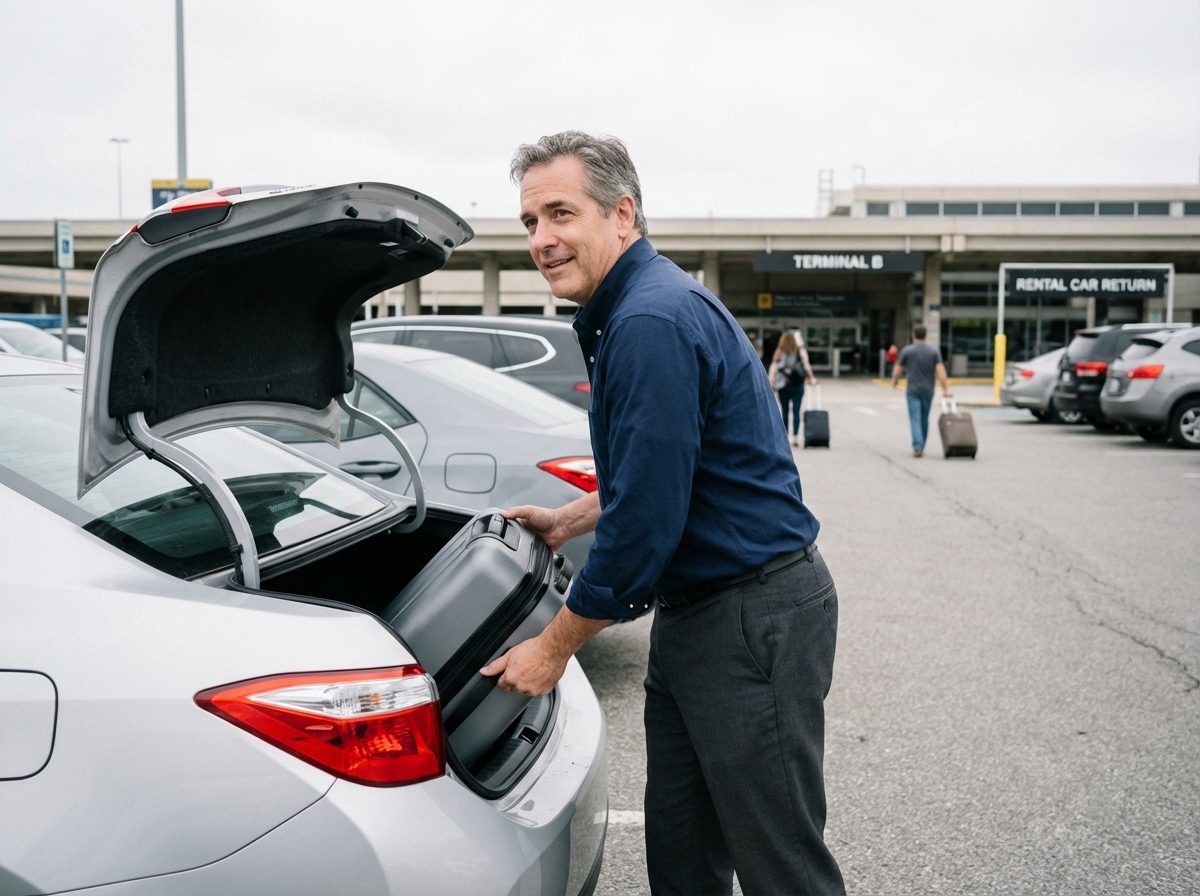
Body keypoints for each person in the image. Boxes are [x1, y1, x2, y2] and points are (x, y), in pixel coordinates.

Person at [481, 132, 844, 895]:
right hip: (702, 617)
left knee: (781, 864)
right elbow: (666, 472)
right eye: (528, 222)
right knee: (682, 850)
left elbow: (647, 526)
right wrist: (571, 520)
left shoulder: (651, 322)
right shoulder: (635, 309)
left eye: (559, 213)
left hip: (751, 618)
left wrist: (551, 650)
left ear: (623, 214)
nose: (542, 240)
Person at [891, 325, 952, 457]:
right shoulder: (933, 351)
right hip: (928, 390)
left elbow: (897, 370)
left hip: (912, 390)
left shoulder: (907, 350)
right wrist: (945, 389)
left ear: (914, 335)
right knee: (924, 418)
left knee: (915, 418)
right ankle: (921, 444)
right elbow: (941, 371)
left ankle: (918, 446)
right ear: (925, 335)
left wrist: (894, 381)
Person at [768, 330, 817, 446]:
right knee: (796, 411)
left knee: (784, 411)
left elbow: (773, 367)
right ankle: (795, 437)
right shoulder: (800, 351)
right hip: (797, 384)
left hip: (783, 385)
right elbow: (806, 365)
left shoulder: (780, 351)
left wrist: (772, 381)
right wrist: (811, 378)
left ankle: (784, 438)